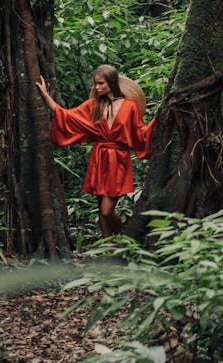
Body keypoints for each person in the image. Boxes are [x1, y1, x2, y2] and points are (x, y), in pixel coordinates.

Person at [34, 65, 154, 237]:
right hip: (99, 158)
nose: (96, 87)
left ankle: (122, 237)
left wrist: (159, 119)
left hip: (118, 160)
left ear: (111, 83)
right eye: (95, 84)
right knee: (100, 208)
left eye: (100, 83)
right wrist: (45, 96)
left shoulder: (129, 107)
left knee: (107, 210)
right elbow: (67, 116)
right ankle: (107, 247)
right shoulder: (93, 105)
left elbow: (140, 133)